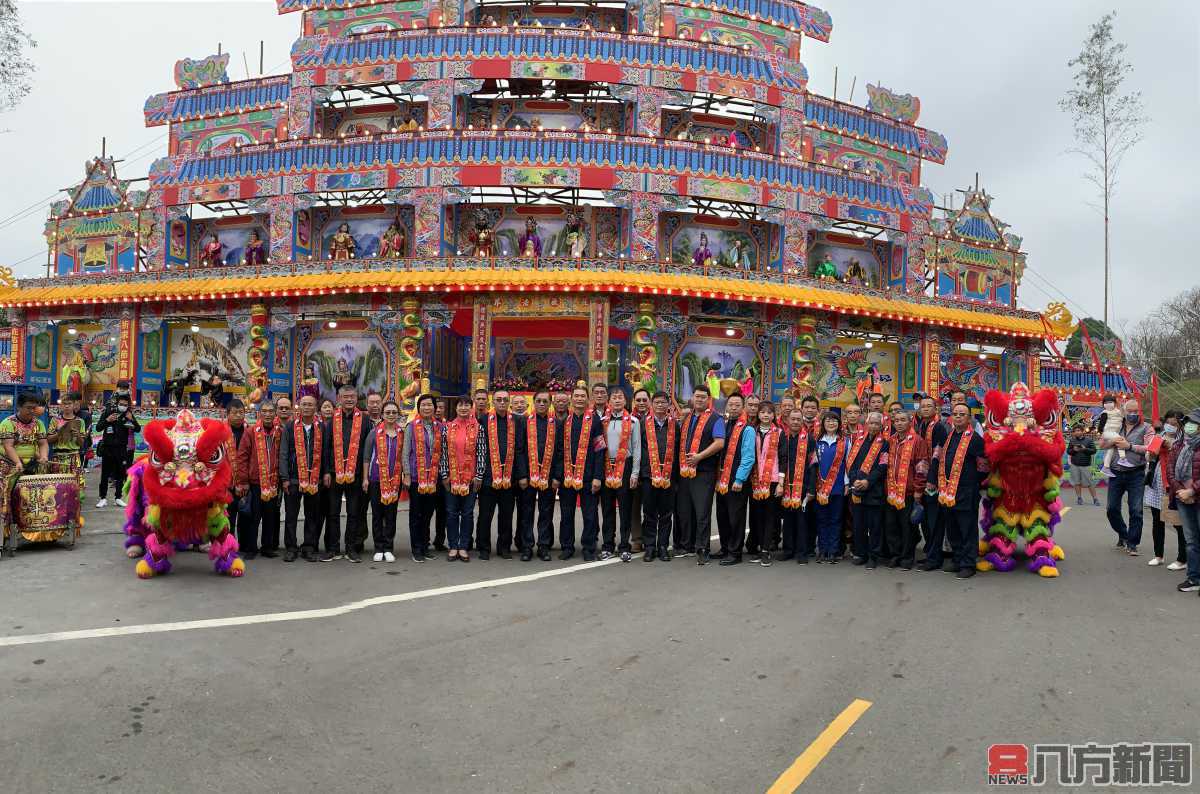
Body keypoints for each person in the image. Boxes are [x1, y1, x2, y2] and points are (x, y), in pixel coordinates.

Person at [926, 402, 986, 578]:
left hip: (967, 492)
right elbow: (937, 459)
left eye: (962, 414)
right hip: (947, 492)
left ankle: (968, 563)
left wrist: (974, 483)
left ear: (969, 418)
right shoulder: (948, 437)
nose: (958, 417)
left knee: (967, 528)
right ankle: (958, 559)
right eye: (956, 414)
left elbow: (984, 466)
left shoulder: (975, 439)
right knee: (952, 528)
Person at [1099, 399, 1156, 556]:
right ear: (1123, 411)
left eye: (1136, 411)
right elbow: (1101, 445)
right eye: (1130, 411)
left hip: (1136, 474)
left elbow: (1151, 448)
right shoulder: (1116, 425)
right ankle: (1124, 534)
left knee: (1136, 510)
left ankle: (1132, 543)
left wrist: (1129, 446)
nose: (1133, 414)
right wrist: (1113, 441)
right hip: (1116, 473)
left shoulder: (1146, 428)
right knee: (1111, 509)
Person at [675, 386, 726, 562]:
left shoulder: (715, 419)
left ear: (708, 399)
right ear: (692, 398)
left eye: (703, 397)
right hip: (685, 472)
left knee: (702, 512)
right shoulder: (688, 418)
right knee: (685, 510)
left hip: (704, 472)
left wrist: (699, 457)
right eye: (697, 397)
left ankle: (702, 548)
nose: (700, 400)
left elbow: (719, 443)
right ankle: (687, 545)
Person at [321, 385, 371, 563]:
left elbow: (366, 449)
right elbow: (326, 447)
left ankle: (351, 548)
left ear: (356, 398)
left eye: (352, 396)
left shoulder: (364, 420)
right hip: (334, 474)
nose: (349, 399)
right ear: (338, 398)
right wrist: (326, 471)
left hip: (355, 474)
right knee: (332, 513)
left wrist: (365, 475)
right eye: (345, 397)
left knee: (353, 513)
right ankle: (333, 548)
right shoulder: (331, 420)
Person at [477, 388, 527, 560]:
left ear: (509, 402)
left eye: (505, 400)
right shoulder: (483, 420)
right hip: (488, 477)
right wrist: (480, 474)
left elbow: (520, 449)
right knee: (485, 514)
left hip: (509, 476)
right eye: (499, 399)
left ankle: (504, 547)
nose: (502, 403)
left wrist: (521, 475)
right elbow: (479, 449)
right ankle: (483, 547)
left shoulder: (518, 421)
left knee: (506, 514)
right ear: (493, 401)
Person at [0, 393, 49, 559]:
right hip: (8, 465)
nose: (32, 411)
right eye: (28, 407)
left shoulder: (39, 424)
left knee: (31, 499)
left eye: (34, 408)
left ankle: (30, 532)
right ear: (19, 407)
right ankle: (4, 534)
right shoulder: (8, 423)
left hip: (30, 466)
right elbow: (8, 446)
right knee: (5, 499)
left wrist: (43, 456)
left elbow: (43, 443)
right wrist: (17, 462)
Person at [559, 385, 604, 561]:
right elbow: (558, 451)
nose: (579, 399)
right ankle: (567, 547)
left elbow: (600, 450)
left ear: (587, 400)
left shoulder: (595, 421)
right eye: (576, 396)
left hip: (588, 476)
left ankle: (588, 547)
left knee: (590, 514)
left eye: (582, 396)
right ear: (572, 399)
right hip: (568, 477)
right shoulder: (564, 422)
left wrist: (597, 477)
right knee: (566, 514)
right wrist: (558, 475)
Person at [280, 394, 323, 562]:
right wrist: (285, 477)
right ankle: (291, 547)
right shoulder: (290, 427)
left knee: (312, 515)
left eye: (310, 404)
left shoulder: (321, 427)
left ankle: (309, 547)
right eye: (304, 404)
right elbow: (283, 453)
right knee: (291, 516)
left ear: (315, 408)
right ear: (299, 407)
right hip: (293, 479)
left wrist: (325, 473)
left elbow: (325, 452)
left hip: (314, 479)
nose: (307, 407)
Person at [712, 393, 755, 565]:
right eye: (731, 404)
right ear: (726, 406)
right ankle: (725, 547)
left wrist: (739, 479)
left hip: (736, 480)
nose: (734, 407)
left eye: (738, 405)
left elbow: (748, 457)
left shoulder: (747, 429)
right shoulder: (722, 425)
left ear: (743, 407)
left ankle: (735, 552)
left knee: (735, 517)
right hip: (721, 478)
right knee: (721, 515)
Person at [599, 387, 641, 562]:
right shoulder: (601, 421)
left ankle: (624, 545)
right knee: (607, 509)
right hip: (606, 466)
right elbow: (597, 446)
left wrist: (635, 473)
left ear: (626, 401)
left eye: (620, 398)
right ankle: (608, 545)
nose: (617, 400)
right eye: (614, 398)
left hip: (626, 466)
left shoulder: (633, 421)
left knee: (625, 509)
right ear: (608, 401)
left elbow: (637, 447)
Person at [883, 410, 929, 569]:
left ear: (910, 422)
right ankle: (895, 554)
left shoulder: (917, 441)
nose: (900, 423)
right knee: (891, 525)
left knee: (907, 526)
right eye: (896, 420)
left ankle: (907, 557)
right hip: (891, 491)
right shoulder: (891, 440)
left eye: (903, 420)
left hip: (908, 492)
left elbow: (922, 467)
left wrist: (918, 489)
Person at [236, 401, 281, 560]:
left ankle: (267, 547)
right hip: (255, 482)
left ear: (275, 413)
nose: (268, 414)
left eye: (271, 411)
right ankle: (250, 547)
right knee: (253, 517)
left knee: (270, 516)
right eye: (265, 411)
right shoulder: (250, 432)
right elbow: (242, 457)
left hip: (273, 482)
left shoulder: (279, 432)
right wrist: (244, 480)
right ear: (260, 413)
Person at [441, 398, 485, 561]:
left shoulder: (478, 428)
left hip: (470, 479)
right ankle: (453, 545)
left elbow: (481, 453)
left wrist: (479, 475)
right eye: (461, 405)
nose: (464, 408)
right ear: (456, 408)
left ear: (471, 407)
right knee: (451, 513)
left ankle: (464, 546)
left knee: (467, 514)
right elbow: (443, 453)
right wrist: (444, 475)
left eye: (467, 405)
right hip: (452, 478)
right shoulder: (448, 428)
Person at [361, 400, 404, 562]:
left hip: (394, 481)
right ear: (382, 414)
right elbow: (366, 457)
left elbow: (405, 456)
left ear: (398, 414)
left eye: (394, 412)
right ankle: (378, 547)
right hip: (376, 479)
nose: (391, 415)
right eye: (388, 412)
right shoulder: (374, 433)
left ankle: (388, 547)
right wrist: (365, 478)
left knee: (391, 514)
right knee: (377, 514)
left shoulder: (402, 433)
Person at [521, 390, 561, 561]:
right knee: (526, 512)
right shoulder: (525, 422)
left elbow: (561, 452)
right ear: (533, 402)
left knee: (546, 512)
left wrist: (557, 476)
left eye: (545, 401)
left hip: (548, 476)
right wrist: (522, 475)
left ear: (550, 403)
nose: (542, 404)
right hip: (528, 476)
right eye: (539, 401)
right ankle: (527, 546)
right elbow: (519, 450)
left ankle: (543, 546)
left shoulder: (557, 424)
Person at [639, 391, 678, 562]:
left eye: (663, 402)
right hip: (649, 476)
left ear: (669, 405)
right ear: (651, 405)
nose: (660, 405)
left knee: (666, 513)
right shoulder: (643, 424)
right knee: (648, 512)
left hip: (669, 476)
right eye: (657, 402)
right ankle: (649, 546)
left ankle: (662, 546)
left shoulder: (675, 425)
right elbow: (638, 448)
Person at [847, 411, 889, 568]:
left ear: (881, 426)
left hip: (874, 490)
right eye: (870, 423)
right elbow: (850, 463)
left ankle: (874, 556)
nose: (873, 426)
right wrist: (854, 480)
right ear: (866, 425)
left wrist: (868, 481)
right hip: (857, 488)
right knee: (859, 525)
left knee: (875, 526)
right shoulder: (858, 441)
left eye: (876, 424)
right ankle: (861, 553)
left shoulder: (885, 443)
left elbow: (882, 467)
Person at [403, 394, 442, 563]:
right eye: (423, 405)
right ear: (418, 408)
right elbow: (405, 452)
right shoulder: (411, 426)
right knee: (416, 514)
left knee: (428, 513)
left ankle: (425, 546)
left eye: (430, 405)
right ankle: (416, 548)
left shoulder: (439, 427)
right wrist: (406, 474)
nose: (427, 408)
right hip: (416, 477)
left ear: (435, 408)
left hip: (433, 477)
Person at [1148, 411, 1187, 570]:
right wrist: (1153, 450)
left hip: (1173, 484)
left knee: (1178, 523)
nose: (1170, 426)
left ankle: (1182, 558)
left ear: (1181, 425)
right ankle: (1158, 555)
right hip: (1157, 482)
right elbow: (1149, 456)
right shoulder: (1159, 435)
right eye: (1168, 423)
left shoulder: (1185, 440)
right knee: (1157, 520)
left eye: (1174, 424)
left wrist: (1172, 447)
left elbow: (1185, 461)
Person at [777, 407, 815, 564]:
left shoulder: (810, 439)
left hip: (803, 486)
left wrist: (811, 488)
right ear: (787, 420)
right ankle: (788, 550)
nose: (795, 422)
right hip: (785, 485)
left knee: (802, 520)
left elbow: (813, 465)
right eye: (793, 419)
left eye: (798, 419)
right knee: (788, 520)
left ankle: (802, 552)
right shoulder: (782, 438)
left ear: (802, 421)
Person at [747, 401, 782, 565]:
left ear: (774, 415)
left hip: (772, 480)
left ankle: (766, 550)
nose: (766, 415)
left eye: (769, 412)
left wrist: (781, 482)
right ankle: (758, 546)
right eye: (763, 412)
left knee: (770, 516)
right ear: (758, 414)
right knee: (756, 516)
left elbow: (783, 459)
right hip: (754, 479)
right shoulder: (751, 431)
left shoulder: (780, 433)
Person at [811, 410, 848, 563]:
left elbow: (848, 465)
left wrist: (847, 483)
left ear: (839, 424)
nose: (831, 423)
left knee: (836, 519)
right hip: (820, 488)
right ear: (823, 424)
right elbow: (813, 466)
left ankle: (833, 551)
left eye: (834, 421)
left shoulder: (845, 442)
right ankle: (822, 549)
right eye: (828, 421)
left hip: (838, 487)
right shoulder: (816, 442)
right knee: (821, 519)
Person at [1170, 409, 1200, 594]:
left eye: (1194, 422)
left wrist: (1192, 490)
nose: (1190, 425)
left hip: (1195, 496)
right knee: (1191, 540)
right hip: (1182, 497)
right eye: (1188, 422)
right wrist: (1180, 490)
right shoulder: (1179, 445)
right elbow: (1170, 468)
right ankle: (1194, 578)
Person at [94, 394, 139, 508]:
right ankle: (103, 498)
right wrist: (107, 420)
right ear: (117, 404)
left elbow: (138, 429)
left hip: (122, 450)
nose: (123, 406)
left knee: (120, 474)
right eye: (121, 404)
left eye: (125, 405)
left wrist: (132, 419)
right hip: (108, 449)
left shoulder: (128, 415)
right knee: (105, 475)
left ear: (128, 406)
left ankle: (118, 497)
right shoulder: (108, 413)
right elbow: (98, 427)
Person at [629, 388, 651, 553]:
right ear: (633, 402)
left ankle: (649, 537)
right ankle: (637, 539)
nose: (641, 403)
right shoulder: (628, 420)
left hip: (653, 470)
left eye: (644, 400)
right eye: (638, 400)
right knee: (634, 507)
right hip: (633, 470)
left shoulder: (658, 418)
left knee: (650, 507)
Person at [224, 399, 248, 549]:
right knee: (228, 516)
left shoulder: (250, 430)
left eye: (241, 413)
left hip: (244, 481)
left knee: (245, 515)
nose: (238, 416)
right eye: (235, 413)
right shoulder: (220, 431)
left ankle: (244, 545)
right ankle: (227, 545)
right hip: (226, 482)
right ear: (228, 414)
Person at [47, 392, 88, 469]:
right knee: (58, 481)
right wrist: (59, 433)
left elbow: (82, 444)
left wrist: (77, 435)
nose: (67, 406)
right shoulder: (55, 420)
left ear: (74, 405)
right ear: (61, 405)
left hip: (74, 456)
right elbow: (48, 440)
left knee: (74, 480)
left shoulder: (80, 421)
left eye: (69, 404)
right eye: (64, 403)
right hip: (57, 457)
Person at [1066, 424, 1100, 506]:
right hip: (1075, 465)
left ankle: (1095, 499)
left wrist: (1085, 449)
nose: (1077, 432)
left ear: (1082, 431)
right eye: (1075, 431)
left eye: (1078, 430)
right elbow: (1068, 451)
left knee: (1090, 483)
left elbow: (1094, 450)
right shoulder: (1072, 441)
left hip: (1086, 465)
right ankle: (1079, 498)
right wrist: (1073, 450)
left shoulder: (1089, 440)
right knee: (1076, 482)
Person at [1094, 394, 1125, 476]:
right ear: (1103, 404)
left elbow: (1123, 419)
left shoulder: (1119, 412)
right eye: (1106, 403)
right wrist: (1100, 433)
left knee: (1110, 450)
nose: (1108, 404)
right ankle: (1123, 458)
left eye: (1110, 402)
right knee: (1119, 439)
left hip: (1115, 432)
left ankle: (1105, 467)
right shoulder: (1105, 413)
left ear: (1114, 403)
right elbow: (1101, 424)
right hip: (1107, 432)